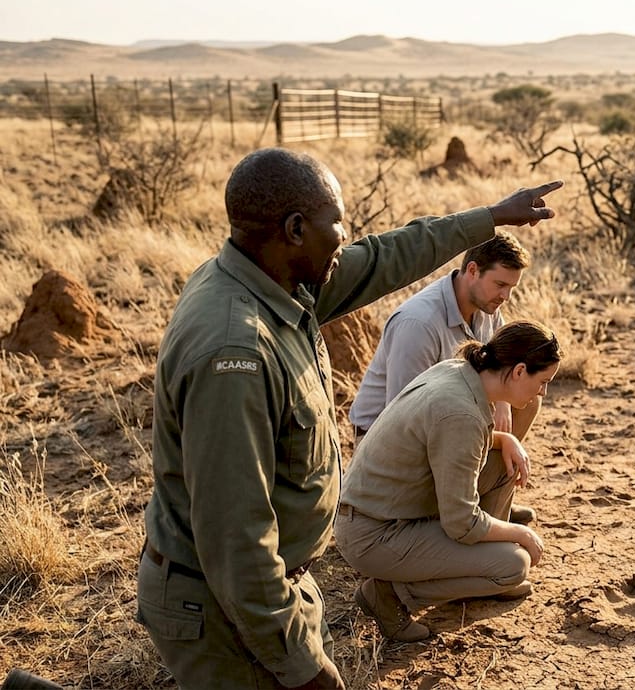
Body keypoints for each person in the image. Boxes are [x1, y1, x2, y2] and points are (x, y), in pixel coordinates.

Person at [136, 146, 560, 690]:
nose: (346, 238)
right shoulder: (233, 352)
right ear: (294, 229)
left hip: (278, 585)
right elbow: (235, 537)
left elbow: (386, 256)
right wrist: (301, 664)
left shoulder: (279, 284)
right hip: (223, 611)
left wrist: (490, 217)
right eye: (336, 223)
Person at [333, 321, 561, 642]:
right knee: (513, 565)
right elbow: (462, 524)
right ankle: (390, 595)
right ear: (519, 371)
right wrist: (519, 533)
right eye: (543, 381)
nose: (543, 392)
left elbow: (451, 445)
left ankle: (476, 569)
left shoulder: (461, 372)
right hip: (375, 534)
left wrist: (505, 439)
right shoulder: (461, 414)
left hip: (385, 512)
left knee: (500, 461)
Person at [348, 233, 541, 524]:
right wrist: (502, 439)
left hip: (449, 418)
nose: (505, 297)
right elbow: (404, 418)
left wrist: (502, 403)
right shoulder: (419, 324)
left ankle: (491, 505)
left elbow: (501, 371)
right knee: (504, 433)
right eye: (500, 284)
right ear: (472, 270)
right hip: (389, 442)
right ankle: (462, 513)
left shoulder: (488, 307)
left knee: (527, 399)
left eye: (511, 287)